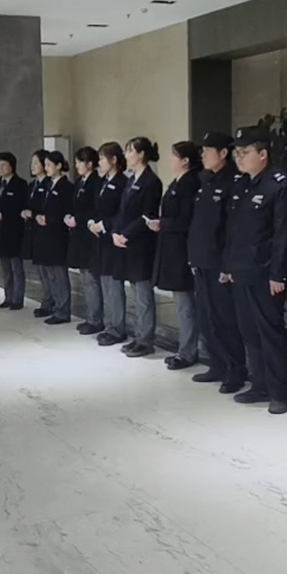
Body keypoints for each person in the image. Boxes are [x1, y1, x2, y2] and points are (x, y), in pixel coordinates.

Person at [223, 125, 287, 414]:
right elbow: (234, 231)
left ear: (263, 154)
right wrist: (228, 265)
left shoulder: (281, 186)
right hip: (242, 270)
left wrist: (278, 274)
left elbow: (283, 234)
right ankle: (259, 384)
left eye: (244, 152)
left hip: (266, 274)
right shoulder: (243, 184)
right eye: (237, 152)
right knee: (249, 331)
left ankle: (279, 391)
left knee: (270, 333)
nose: (239, 157)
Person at [188, 132, 248, 393]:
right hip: (202, 261)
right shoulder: (206, 181)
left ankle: (235, 370)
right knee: (207, 318)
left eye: (207, 150)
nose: (202, 155)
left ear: (223, 153)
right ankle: (217, 364)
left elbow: (231, 229)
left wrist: (227, 265)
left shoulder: (233, 182)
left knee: (225, 320)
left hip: (219, 264)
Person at [150, 141, 203, 370]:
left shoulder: (190, 183)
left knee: (185, 304)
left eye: (174, 156)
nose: (170, 160)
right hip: (172, 248)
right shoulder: (177, 182)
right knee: (182, 303)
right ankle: (186, 347)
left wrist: (163, 223)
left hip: (182, 249)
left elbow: (186, 219)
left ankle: (187, 351)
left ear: (185, 161)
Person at [113, 137, 163, 358]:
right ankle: (138, 335)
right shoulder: (131, 179)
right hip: (127, 242)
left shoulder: (152, 182)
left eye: (130, 151)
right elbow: (122, 211)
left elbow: (147, 215)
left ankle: (145, 339)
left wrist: (126, 234)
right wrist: (116, 232)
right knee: (134, 291)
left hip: (142, 243)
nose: (127, 155)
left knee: (143, 295)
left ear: (141, 154)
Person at [90, 142, 129, 347]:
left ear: (114, 160)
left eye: (102, 159)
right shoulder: (103, 182)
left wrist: (104, 224)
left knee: (114, 286)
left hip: (113, 238)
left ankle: (118, 327)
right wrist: (92, 222)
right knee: (104, 283)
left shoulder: (122, 182)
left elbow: (122, 213)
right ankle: (109, 324)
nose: (99, 163)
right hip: (101, 239)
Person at [33, 150, 74, 325]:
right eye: (46, 164)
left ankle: (63, 310)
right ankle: (55, 305)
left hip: (58, 236)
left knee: (59, 274)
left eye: (49, 165)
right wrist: (38, 216)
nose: (46, 168)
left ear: (59, 166)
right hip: (46, 235)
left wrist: (49, 219)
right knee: (50, 275)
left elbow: (66, 211)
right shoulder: (49, 184)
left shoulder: (66, 187)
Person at [67, 147, 104, 335]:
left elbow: (94, 209)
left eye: (79, 162)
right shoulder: (79, 182)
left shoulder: (96, 183)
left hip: (90, 235)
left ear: (89, 163)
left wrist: (79, 219)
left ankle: (95, 318)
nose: (77, 166)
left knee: (91, 279)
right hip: (79, 235)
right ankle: (90, 316)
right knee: (85, 278)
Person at [0, 151, 28, 310]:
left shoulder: (21, 184)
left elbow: (21, 206)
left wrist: (6, 214)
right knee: (5, 269)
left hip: (15, 231)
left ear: (12, 166)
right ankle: (8, 296)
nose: (1, 168)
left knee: (16, 268)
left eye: (4, 165)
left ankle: (18, 298)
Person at [23, 150, 55, 318]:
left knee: (50, 272)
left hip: (46, 231)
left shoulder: (49, 184)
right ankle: (47, 300)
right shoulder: (32, 185)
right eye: (32, 163)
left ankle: (52, 302)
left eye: (36, 162)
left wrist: (34, 214)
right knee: (41, 272)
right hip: (33, 231)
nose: (33, 166)